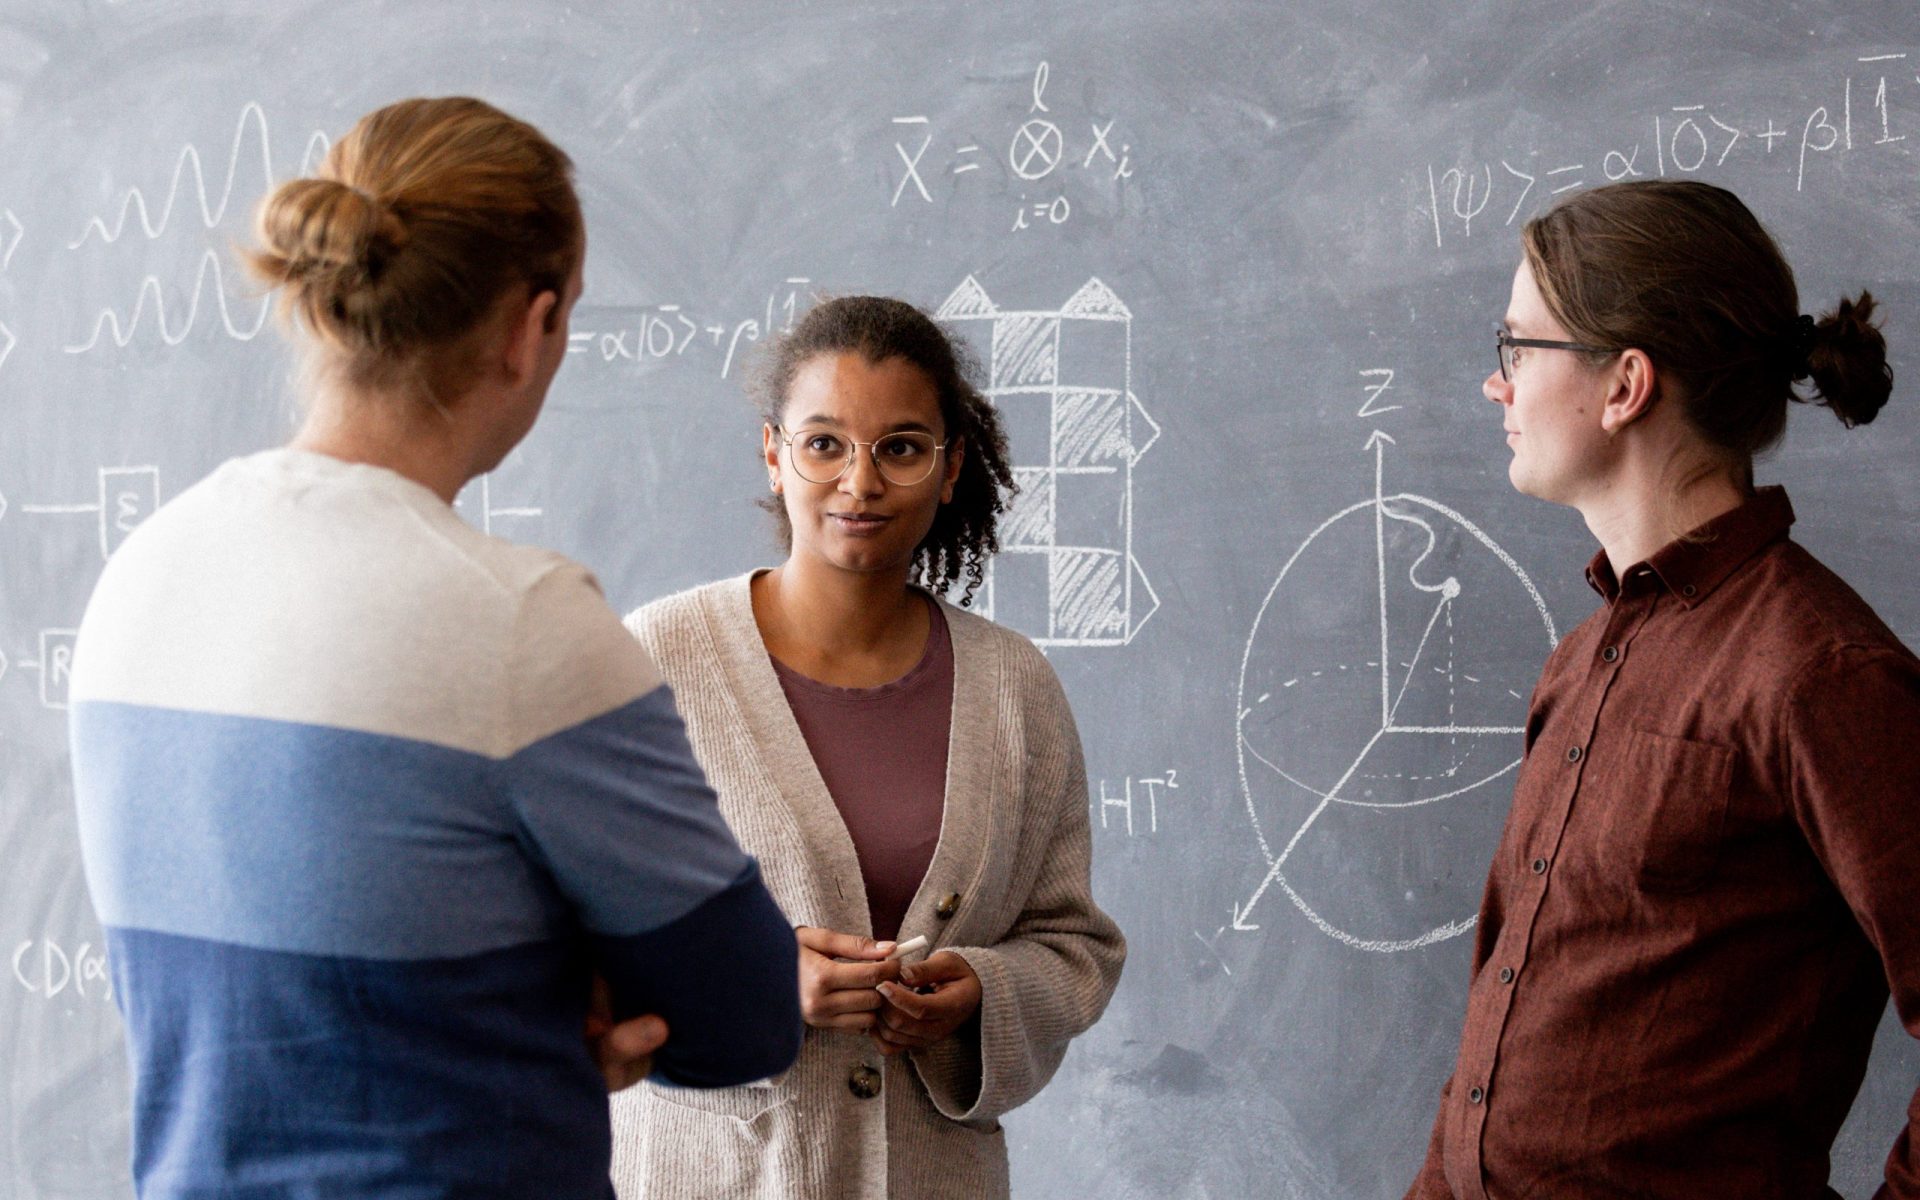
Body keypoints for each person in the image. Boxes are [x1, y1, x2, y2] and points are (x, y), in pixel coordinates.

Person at [67, 96, 800, 1199]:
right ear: (529, 326)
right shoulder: (519, 622)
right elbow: (743, 1016)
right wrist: (553, 1008)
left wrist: (505, 1008)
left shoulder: (140, 577)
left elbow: (245, 1004)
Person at [1407, 178, 1918, 1199]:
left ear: (1625, 384)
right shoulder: (1581, 660)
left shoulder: (1819, 672)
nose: (1495, 387)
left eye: (1518, 349)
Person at [609, 296, 1126, 1198]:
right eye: (824, 444)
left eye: (901, 447)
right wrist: (755, 982)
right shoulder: (654, 661)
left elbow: (1071, 941)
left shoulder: (1014, 687)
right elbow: (563, 933)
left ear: (952, 464)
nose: (860, 484)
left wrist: (981, 989)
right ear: (773, 454)